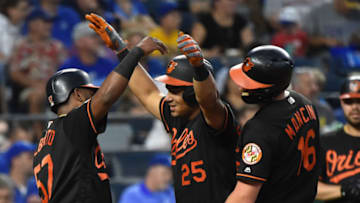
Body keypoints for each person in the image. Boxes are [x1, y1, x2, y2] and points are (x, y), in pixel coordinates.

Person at [86, 13, 239, 203]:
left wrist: (199, 68)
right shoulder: (175, 116)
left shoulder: (214, 120)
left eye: (175, 90)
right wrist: (122, 49)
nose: (169, 97)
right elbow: (147, 93)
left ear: (193, 93)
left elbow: (209, 100)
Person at [32, 16, 167, 202]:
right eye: (88, 93)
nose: (93, 96)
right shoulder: (72, 124)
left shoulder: (45, 141)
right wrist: (135, 52)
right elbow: (105, 97)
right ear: (77, 94)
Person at [225, 45, 321, 203]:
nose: (241, 86)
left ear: (268, 89)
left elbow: (244, 197)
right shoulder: (304, 103)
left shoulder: (260, 129)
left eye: (249, 82)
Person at [316, 73, 360, 203]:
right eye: (349, 101)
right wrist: (346, 190)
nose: (355, 108)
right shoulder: (325, 142)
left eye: (359, 101)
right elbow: (311, 187)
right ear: (341, 102)